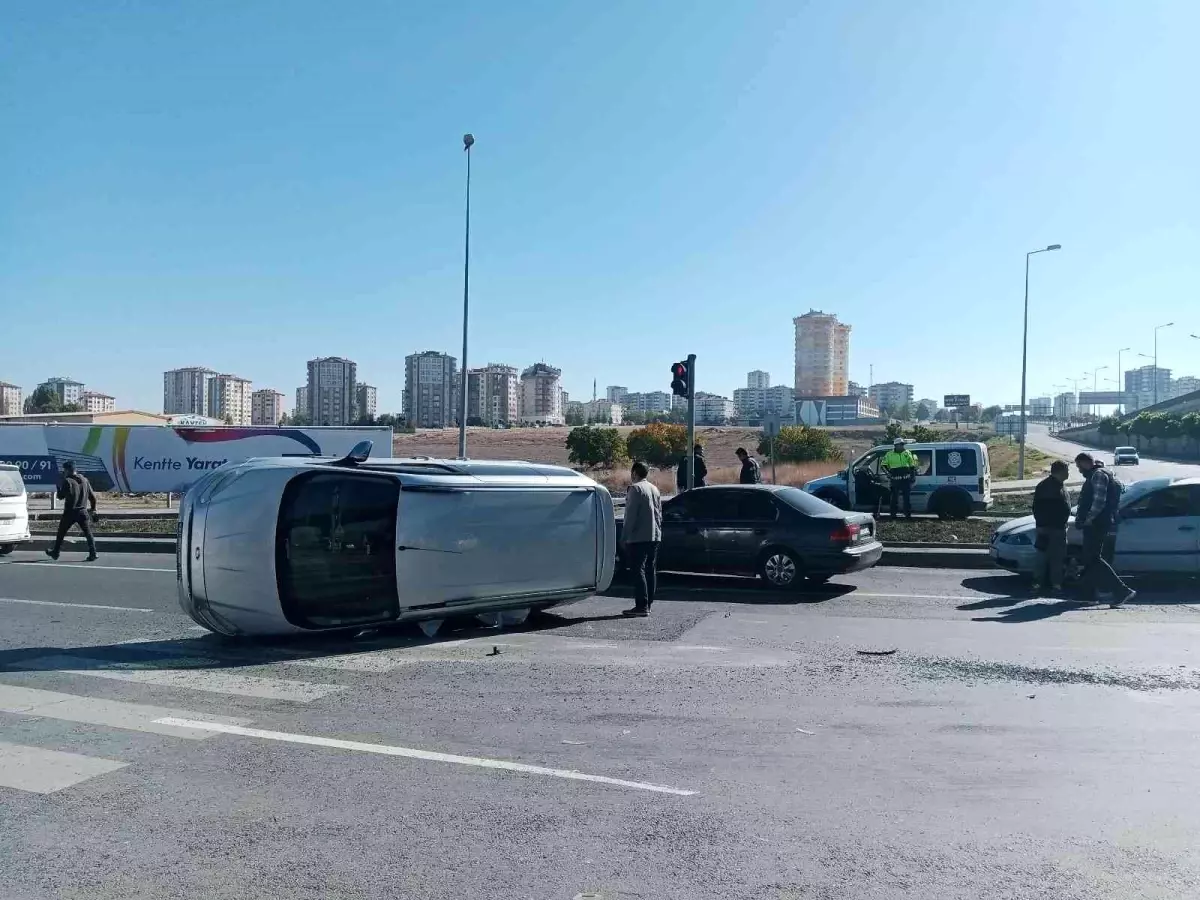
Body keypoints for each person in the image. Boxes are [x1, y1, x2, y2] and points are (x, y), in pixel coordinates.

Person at [1073, 452, 1135, 607]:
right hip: (1099, 522)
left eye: (1079, 466)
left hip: (1096, 523)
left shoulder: (1098, 475)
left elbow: (1099, 502)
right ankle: (1088, 595)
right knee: (1090, 559)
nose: (1079, 470)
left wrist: (1088, 519)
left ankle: (1121, 590)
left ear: (1086, 463)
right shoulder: (1103, 474)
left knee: (1094, 558)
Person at [621, 460, 662, 618]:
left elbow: (630, 516)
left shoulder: (635, 489)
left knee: (638, 571)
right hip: (654, 536)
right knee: (651, 570)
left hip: (638, 537)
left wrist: (624, 537)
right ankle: (648, 603)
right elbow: (659, 514)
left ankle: (641, 605)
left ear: (634, 473)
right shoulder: (654, 488)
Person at [1031, 460, 1071, 595]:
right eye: (1067, 470)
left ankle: (1052, 585)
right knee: (1047, 558)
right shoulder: (1047, 487)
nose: (1068, 473)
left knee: (1056, 558)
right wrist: (1042, 526)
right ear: (1061, 471)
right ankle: (1041, 585)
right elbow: (1040, 508)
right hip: (1050, 529)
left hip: (1056, 528)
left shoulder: (1057, 485)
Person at [46, 461, 98, 561]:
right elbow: (93, 497)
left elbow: (60, 496)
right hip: (83, 511)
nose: (63, 472)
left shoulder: (67, 481)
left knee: (61, 533)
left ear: (67, 470)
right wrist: (93, 509)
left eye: (64, 470)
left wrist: (58, 486)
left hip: (70, 512)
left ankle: (56, 552)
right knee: (88, 533)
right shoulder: (84, 480)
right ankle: (93, 553)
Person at [880, 439, 919, 519]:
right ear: (896, 445)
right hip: (895, 480)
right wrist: (888, 474)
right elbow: (883, 465)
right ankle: (893, 515)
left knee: (907, 499)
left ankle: (907, 515)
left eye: (902, 444)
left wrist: (913, 477)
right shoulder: (889, 454)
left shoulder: (907, 452)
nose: (902, 446)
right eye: (900, 444)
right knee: (894, 499)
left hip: (906, 480)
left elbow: (912, 466)